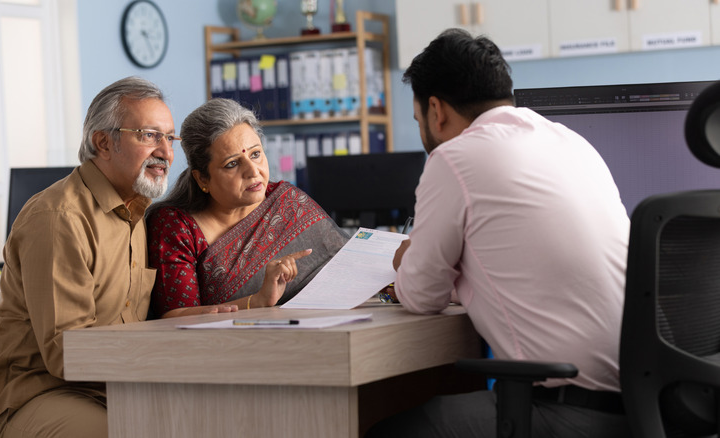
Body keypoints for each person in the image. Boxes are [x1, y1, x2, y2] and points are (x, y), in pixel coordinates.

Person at [366, 29, 631, 438]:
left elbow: (420, 297)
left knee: (384, 429)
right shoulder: (571, 141)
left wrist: (406, 262)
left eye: (418, 120)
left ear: (436, 110)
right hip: (644, 404)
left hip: (567, 412)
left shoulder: (454, 158)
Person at [0, 76, 233, 438]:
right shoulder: (59, 218)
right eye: (149, 135)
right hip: (38, 396)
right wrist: (168, 356)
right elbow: (66, 352)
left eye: (169, 137)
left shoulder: (139, 213)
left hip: (113, 390)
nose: (166, 151)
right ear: (103, 142)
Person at [146, 98, 349, 318]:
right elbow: (174, 316)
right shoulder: (176, 226)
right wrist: (259, 300)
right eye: (232, 164)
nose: (253, 171)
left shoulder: (286, 201)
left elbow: (348, 268)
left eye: (255, 154)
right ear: (202, 178)